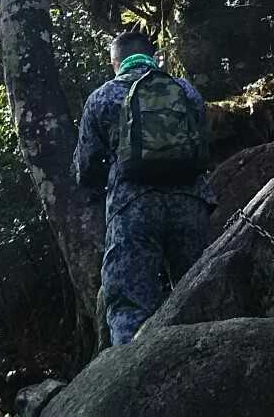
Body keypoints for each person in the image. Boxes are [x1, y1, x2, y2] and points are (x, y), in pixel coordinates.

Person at [72, 29, 214, 346]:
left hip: (133, 206)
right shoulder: (185, 90)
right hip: (190, 201)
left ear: (116, 62)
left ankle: (133, 369)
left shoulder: (103, 96)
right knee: (199, 293)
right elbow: (202, 142)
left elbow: (86, 166)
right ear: (152, 56)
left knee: (130, 304)